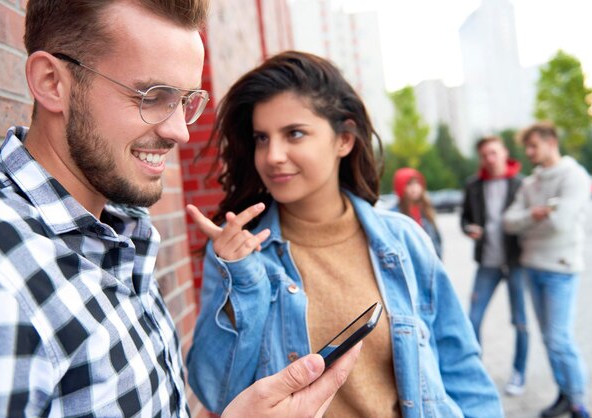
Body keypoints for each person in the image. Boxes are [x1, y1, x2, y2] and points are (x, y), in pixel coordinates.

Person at [0, 1, 363, 417]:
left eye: (186, 100)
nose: (181, 131)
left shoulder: (121, 234)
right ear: (52, 82)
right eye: (153, 97)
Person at [185, 50, 503, 418]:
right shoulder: (239, 253)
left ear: (344, 140)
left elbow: (461, 366)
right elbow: (215, 394)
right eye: (261, 138)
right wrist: (241, 281)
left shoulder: (404, 240)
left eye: (295, 134)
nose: (272, 155)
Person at [504, 122, 591, 418]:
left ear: (551, 141)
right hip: (532, 265)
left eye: (533, 146)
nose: (528, 152)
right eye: (526, 147)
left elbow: (561, 222)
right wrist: (536, 214)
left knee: (559, 338)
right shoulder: (531, 183)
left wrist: (537, 217)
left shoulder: (574, 176)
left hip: (561, 268)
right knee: (548, 339)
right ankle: (564, 394)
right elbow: (509, 221)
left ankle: (579, 401)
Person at [460, 136, 528, 396]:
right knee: (472, 319)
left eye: (493, 153)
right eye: (484, 155)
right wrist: (469, 229)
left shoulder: (522, 184)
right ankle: (475, 372)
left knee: (520, 321)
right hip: (486, 263)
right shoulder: (474, 186)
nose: (489, 159)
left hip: (516, 263)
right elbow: (464, 218)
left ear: (504, 153)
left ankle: (518, 372)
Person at [392, 167, 442, 258]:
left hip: (431, 262)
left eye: (417, 183)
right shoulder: (395, 215)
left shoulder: (426, 208)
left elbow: (437, 239)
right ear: (400, 186)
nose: (414, 188)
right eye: (409, 184)